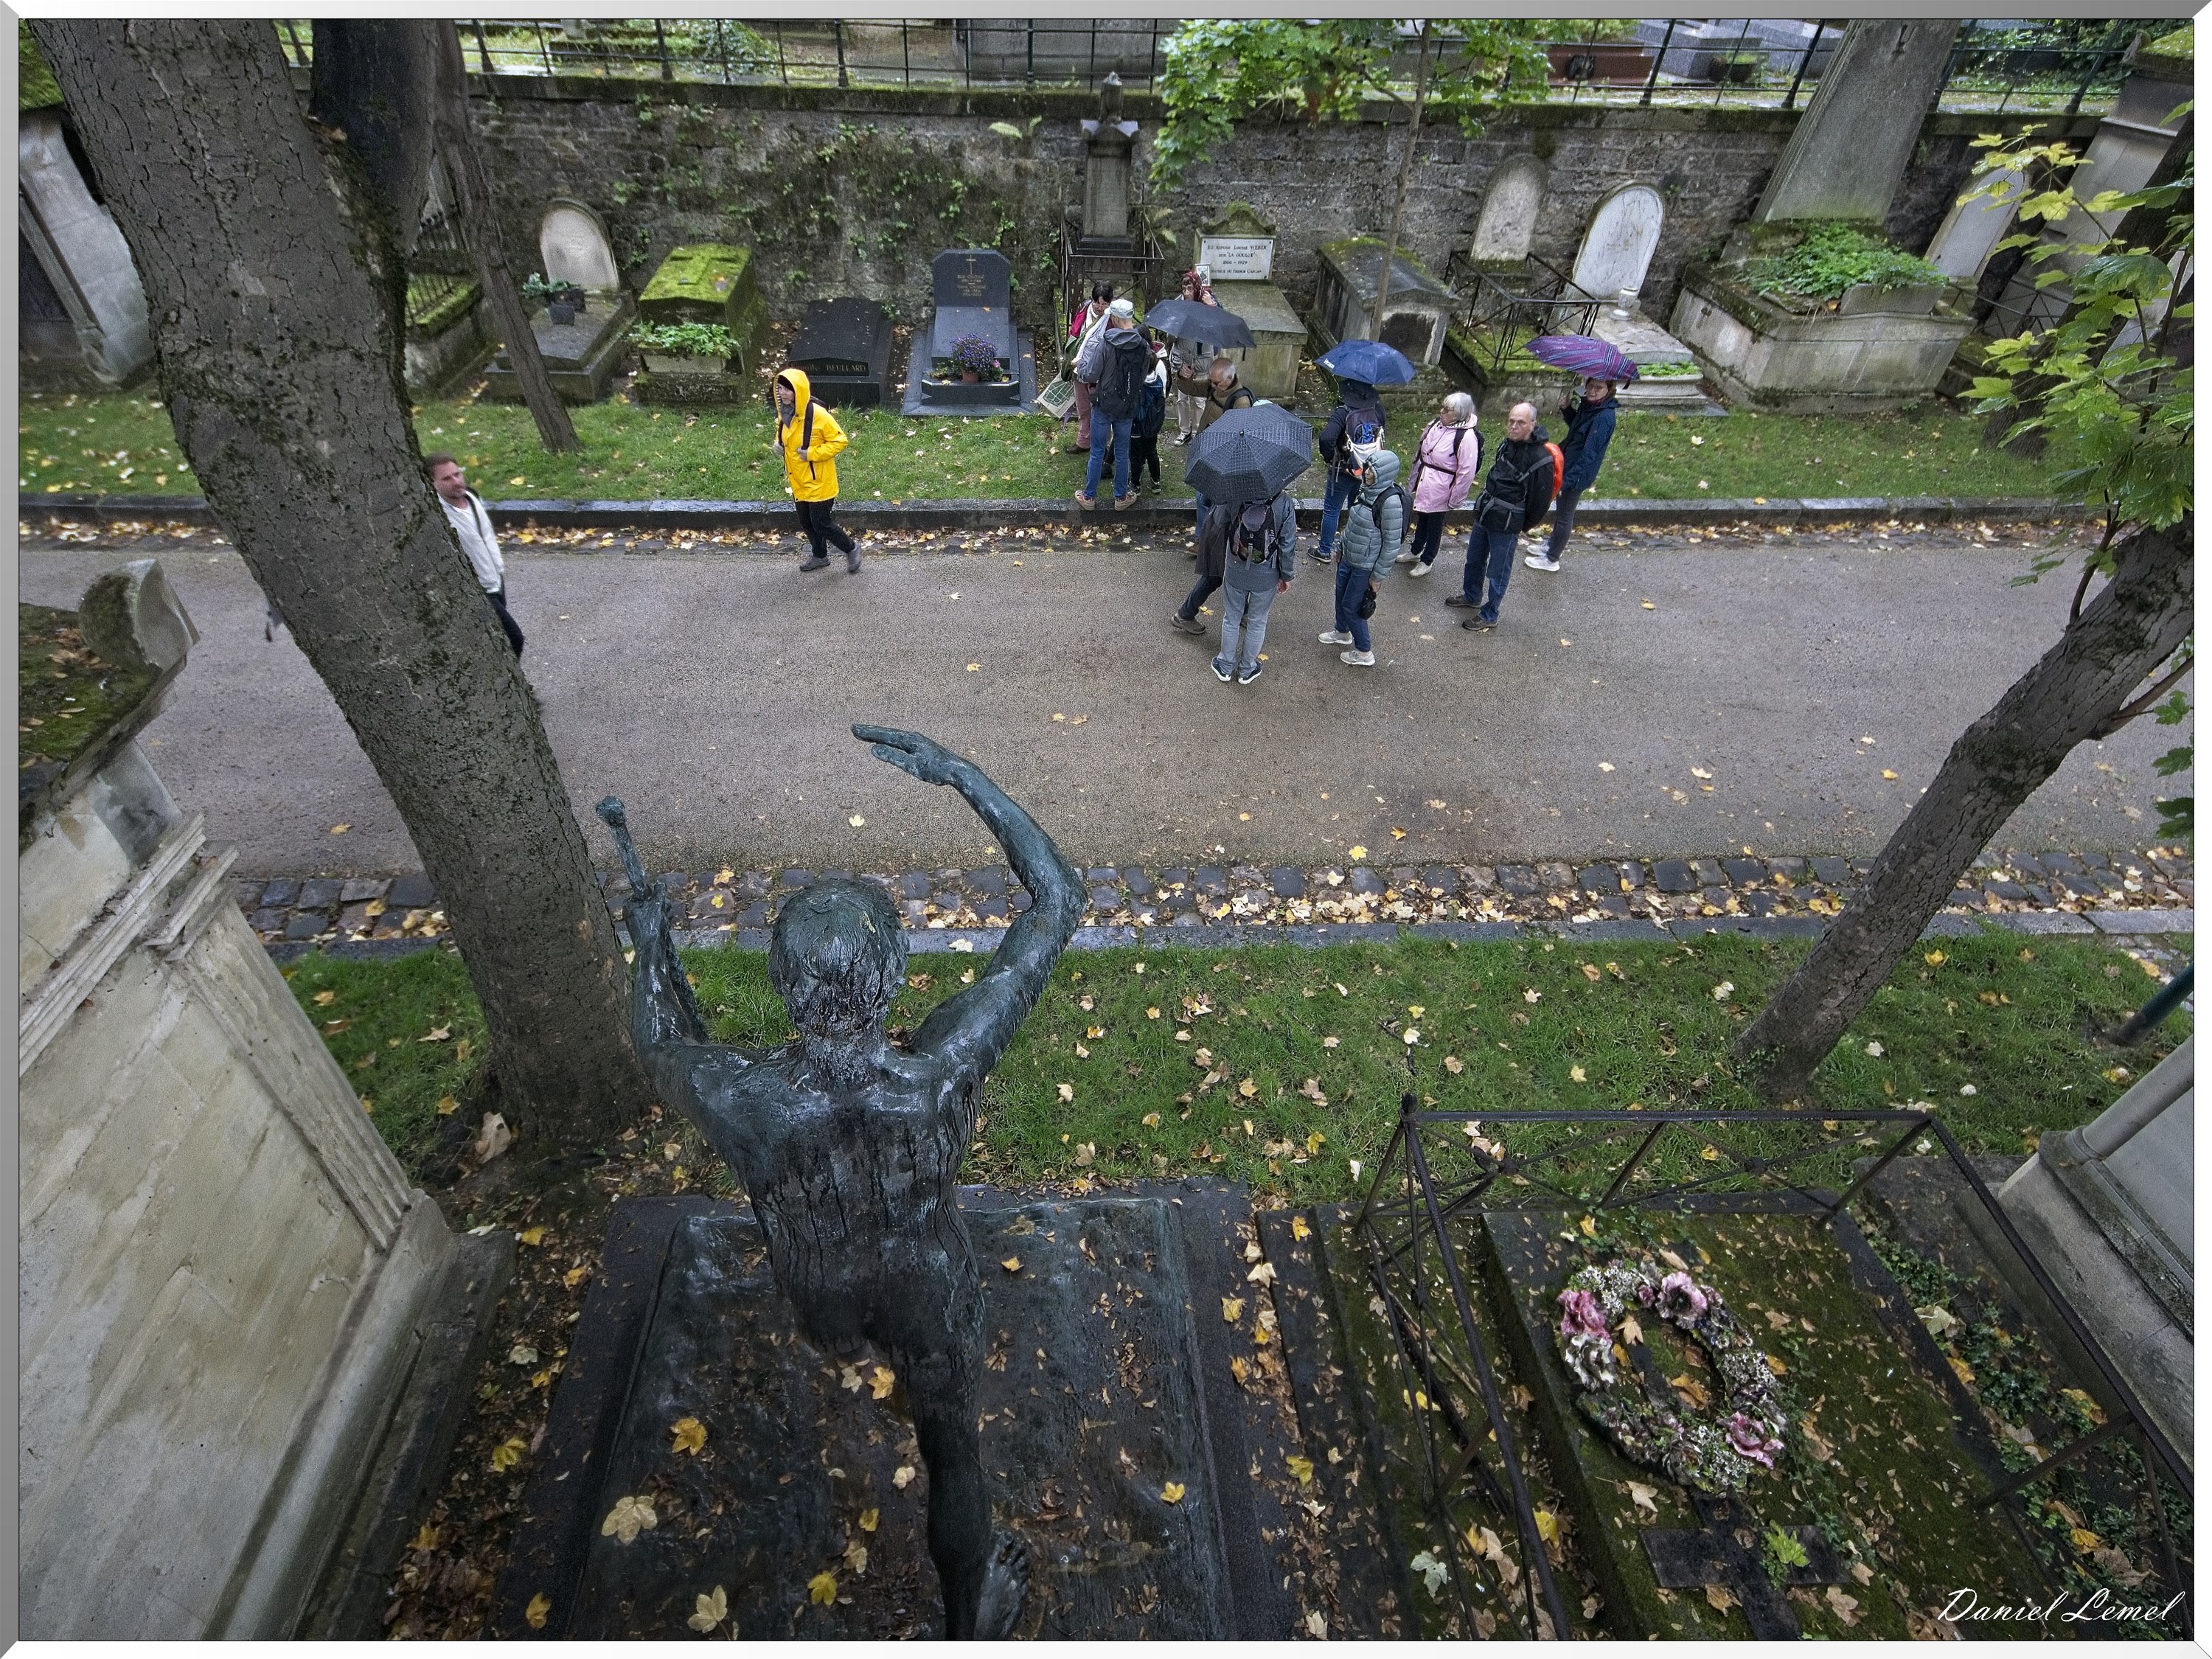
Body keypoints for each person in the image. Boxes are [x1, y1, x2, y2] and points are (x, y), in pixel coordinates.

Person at [599, 724, 1084, 1641]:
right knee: (954, 1453)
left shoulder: (744, 1097)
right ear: (898, 973)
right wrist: (963, 776)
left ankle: (857, 1353)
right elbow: (1057, 900)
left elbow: (661, 1044)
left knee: (854, 1343)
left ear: (780, 983)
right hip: (929, 1286)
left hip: (819, 1290)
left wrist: (653, 943)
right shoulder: (944, 1063)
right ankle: (968, 1607)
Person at [1448, 400, 1554, 631]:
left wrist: (1519, 524)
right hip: (1486, 514)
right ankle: (1472, 595)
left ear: (1532, 425)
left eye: (1521, 423)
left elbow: (1540, 502)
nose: (1514, 426)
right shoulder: (1507, 445)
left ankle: (1490, 613)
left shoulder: (1541, 459)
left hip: (1507, 524)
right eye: (1511, 421)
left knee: (1498, 572)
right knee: (1474, 559)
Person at [428, 453, 524, 656]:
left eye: (457, 474)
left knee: (500, 640)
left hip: (496, 578)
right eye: (447, 478)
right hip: (478, 588)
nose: (456, 481)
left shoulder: (472, 497)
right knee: (514, 637)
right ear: (432, 483)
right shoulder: (438, 515)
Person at [1197, 490, 1296, 684]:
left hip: (1235, 568)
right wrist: (1286, 575)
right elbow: (1288, 544)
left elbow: (1218, 519)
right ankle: (1246, 669)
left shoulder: (1236, 493)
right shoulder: (1284, 502)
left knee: (1232, 617)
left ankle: (1225, 666)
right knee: (1257, 621)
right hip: (1267, 572)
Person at [1318, 444, 1404, 668]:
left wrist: (1377, 577)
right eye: (1367, 469)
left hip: (1365, 565)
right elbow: (1353, 524)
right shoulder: (1366, 490)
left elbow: (1392, 545)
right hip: (1348, 556)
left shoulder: (1390, 503)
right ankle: (1341, 632)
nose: (1366, 473)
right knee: (1340, 595)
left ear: (1383, 475)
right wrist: (1340, 547)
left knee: (1352, 606)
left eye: (1372, 472)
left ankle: (1364, 651)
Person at [1527, 378, 1618, 573]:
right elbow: (1577, 430)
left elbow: (1589, 455)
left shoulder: (1604, 417)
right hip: (1566, 465)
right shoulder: (1591, 407)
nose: (1593, 391)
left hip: (1576, 474)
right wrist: (1567, 409)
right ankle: (1552, 545)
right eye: (1591, 386)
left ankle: (1552, 559)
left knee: (1565, 516)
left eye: (1599, 388)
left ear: (1609, 390)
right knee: (1561, 512)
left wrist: (1567, 481)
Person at [775, 368, 858, 573]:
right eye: (780, 389)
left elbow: (840, 440)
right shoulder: (785, 413)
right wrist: (777, 445)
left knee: (821, 523)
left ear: (799, 390)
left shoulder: (818, 415)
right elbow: (785, 437)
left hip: (819, 481)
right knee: (807, 522)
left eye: (788, 389)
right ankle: (820, 556)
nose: (783, 393)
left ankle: (852, 548)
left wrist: (812, 453)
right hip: (799, 481)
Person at [1397, 391, 1483, 578]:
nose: (1442, 411)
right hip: (1426, 481)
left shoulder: (1466, 437)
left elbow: (1466, 472)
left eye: (1448, 409)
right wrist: (1414, 478)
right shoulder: (1437, 424)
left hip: (1443, 487)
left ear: (1459, 413)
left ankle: (1427, 560)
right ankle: (1415, 550)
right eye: (1443, 407)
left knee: (1435, 524)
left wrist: (1456, 498)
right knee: (1423, 517)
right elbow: (1421, 452)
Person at [1074, 299, 1148, 511]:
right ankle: (1121, 497)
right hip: (1127, 406)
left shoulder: (1106, 343)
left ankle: (1089, 498)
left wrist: (1081, 366)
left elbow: (1091, 373)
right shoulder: (1142, 345)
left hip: (1104, 405)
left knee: (1097, 451)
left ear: (1115, 319)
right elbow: (1142, 375)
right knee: (1123, 452)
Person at [1311, 377, 1388, 564]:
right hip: (1368, 469)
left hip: (1343, 470)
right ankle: (1350, 547)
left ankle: (1324, 551)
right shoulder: (1377, 409)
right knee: (1357, 508)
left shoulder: (1343, 412)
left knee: (1332, 509)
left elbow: (1327, 438)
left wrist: (1331, 458)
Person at [1187, 356, 1258, 538]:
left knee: (1207, 500)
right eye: (1211, 381)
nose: (1212, 385)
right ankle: (1204, 539)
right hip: (1208, 451)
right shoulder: (1215, 385)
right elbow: (1190, 387)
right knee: (1203, 498)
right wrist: (1183, 375)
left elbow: (1242, 437)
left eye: (1216, 382)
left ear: (1229, 379)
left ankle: (1206, 540)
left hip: (1222, 459)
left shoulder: (1241, 403)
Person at [1167, 265, 1219, 446]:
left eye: (1190, 288)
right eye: (1184, 288)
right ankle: (1184, 431)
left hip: (1202, 357)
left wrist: (1210, 307)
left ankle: (1198, 431)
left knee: (1199, 399)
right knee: (1182, 397)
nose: (1186, 292)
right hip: (1182, 356)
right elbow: (1170, 335)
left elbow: (1218, 329)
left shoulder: (1208, 303)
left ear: (1197, 288)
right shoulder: (1178, 304)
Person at [1065, 282, 1113, 453]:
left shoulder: (1113, 318)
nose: (1100, 307)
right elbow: (1074, 334)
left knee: (1100, 409)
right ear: (1091, 300)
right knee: (1083, 407)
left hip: (1101, 372)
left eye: (1104, 304)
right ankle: (1083, 441)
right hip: (1080, 367)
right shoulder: (1084, 311)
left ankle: (1103, 445)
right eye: (1097, 303)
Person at [1129, 333, 1170, 495]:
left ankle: (1136, 484)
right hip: (1152, 425)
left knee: (1136, 456)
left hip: (1136, 426)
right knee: (1152, 452)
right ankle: (1156, 481)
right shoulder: (1158, 383)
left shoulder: (1137, 385)